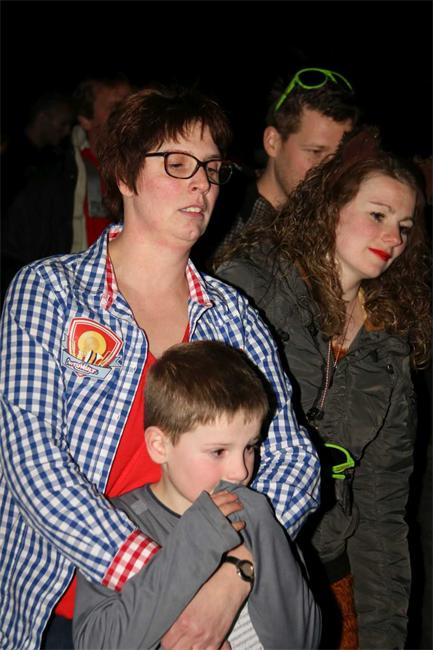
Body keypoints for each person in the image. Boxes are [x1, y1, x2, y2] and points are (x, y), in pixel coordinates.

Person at [0, 84, 320, 650]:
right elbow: (32, 461)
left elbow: (293, 459)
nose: (201, 183)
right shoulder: (51, 292)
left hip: (212, 613)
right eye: (177, 163)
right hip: (66, 609)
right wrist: (167, 581)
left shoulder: (233, 316)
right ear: (125, 175)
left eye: (212, 168)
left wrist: (235, 572)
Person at [215, 127, 432, 649]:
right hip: (228, 563)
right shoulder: (253, 288)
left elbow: (382, 508)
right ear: (331, 207)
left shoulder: (389, 343)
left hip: (327, 571)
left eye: (404, 226)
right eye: (377, 215)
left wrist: (385, 637)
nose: (393, 237)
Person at [73, 340, 322, 650]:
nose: (241, 471)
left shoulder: (255, 510)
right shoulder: (121, 523)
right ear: (160, 446)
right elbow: (98, 643)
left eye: (250, 447)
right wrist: (196, 540)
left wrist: (262, 527)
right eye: (218, 451)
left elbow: (302, 640)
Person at [210, 67, 360, 267]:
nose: (330, 169)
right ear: (273, 142)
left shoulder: (335, 229)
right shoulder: (219, 216)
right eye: (315, 152)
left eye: (338, 158)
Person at [2, 75, 132, 304]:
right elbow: (16, 248)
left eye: (132, 105)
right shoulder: (53, 174)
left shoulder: (145, 168)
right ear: (86, 120)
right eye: (116, 108)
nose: (128, 115)